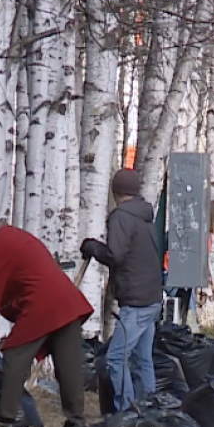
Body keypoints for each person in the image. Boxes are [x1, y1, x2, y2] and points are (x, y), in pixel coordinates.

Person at [0, 209, 92, 427]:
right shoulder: (9, 235)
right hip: (66, 300)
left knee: (15, 355)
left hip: (43, 304)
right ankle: (76, 422)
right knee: (68, 364)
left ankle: (6, 417)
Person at [79, 168, 163, 412]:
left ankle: (128, 412)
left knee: (116, 358)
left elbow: (115, 255)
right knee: (142, 358)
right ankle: (149, 410)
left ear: (114, 192)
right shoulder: (145, 215)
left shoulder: (121, 217)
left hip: (136, 300)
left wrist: (93, 247)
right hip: (152, 297)